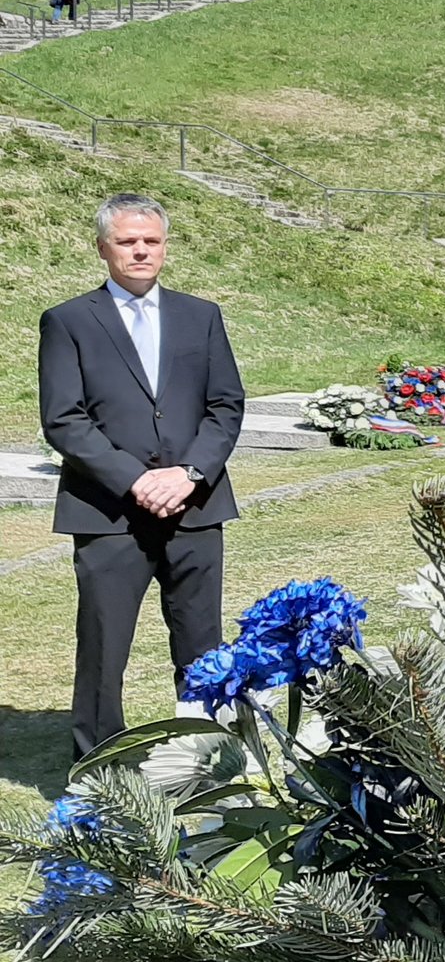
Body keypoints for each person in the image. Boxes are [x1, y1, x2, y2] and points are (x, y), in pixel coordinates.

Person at [39, 193, 246, 762]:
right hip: (107, 513)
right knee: (104, 650)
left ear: (165, 247)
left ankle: (209, 760)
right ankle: (100, 769)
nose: (140, 251)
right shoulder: (68, 321)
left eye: (150, 241)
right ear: (104, 247)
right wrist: (136, 480)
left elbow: (226, 405)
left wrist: (192, 473)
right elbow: (63, 419)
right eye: (127, 241)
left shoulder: (200, 315)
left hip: (195, 508)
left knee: (202, 646)